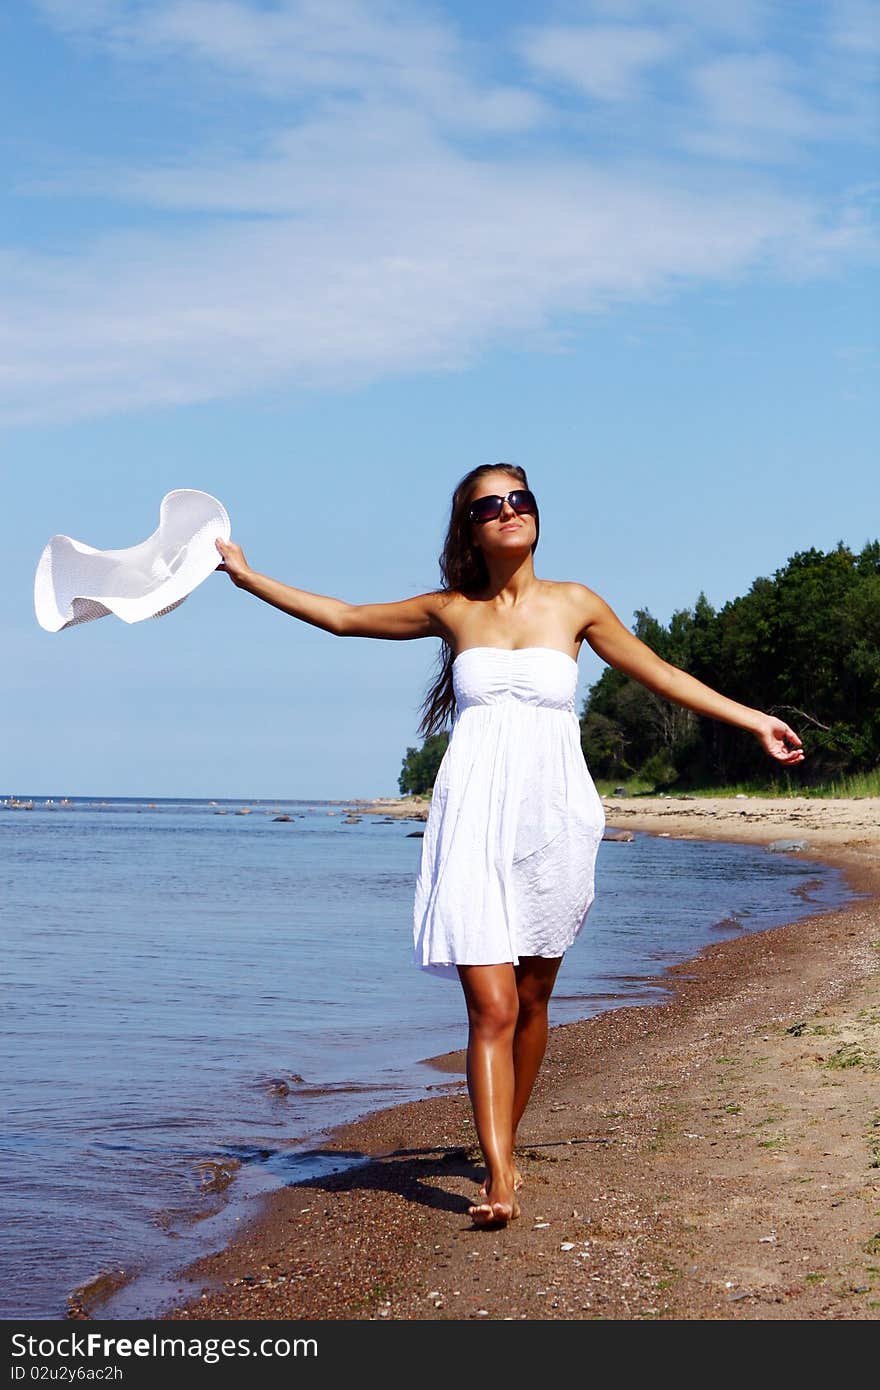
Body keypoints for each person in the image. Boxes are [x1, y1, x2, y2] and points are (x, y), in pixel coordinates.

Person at [215, 463, 804, 1230]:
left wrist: (754, 719)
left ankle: (507, 1139)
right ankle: (499, 1178)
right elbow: (343, 616)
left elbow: (660, 673)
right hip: (471, 824)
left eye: (518, 499)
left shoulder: (577, 605)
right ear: (469, 527)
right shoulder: (451, 611)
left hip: (555, 819)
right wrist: (250, 577)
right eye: (488, 505)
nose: (507, 511)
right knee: (490, 1005)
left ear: (536, 513)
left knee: (532, 998)